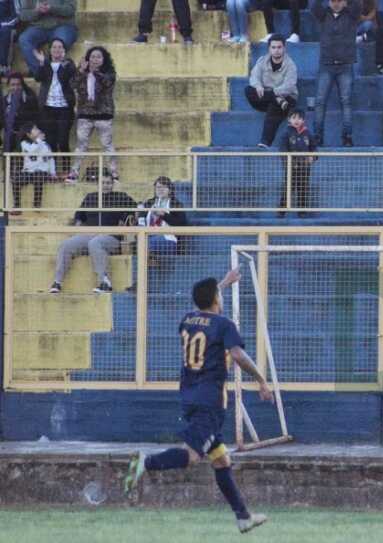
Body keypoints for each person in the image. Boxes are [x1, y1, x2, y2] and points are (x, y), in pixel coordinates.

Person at [123, 268, 272, 534]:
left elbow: (205, 311)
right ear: (217, 300)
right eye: (219, 295)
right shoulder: (224, 324)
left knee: (221, 460)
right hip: (209, 403)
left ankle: (243, 517)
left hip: (189, 397)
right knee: (192, 455)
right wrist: (261, 379)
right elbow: (237, 354)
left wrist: (222, 284)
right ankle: (145, 462)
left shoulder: (187, 320)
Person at [48, 173, 138, 294]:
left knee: (95, 243)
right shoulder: (90, 197)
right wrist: (76, 233)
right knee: (66, 245)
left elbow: (136, 209)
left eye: (108, 183)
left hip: (111, 237)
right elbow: (79, 218)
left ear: (113, 184)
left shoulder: (120, 197)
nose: (105, 185)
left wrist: (126, 224)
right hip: (89, 235)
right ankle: (57, 282)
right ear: (98, 184)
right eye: (102, 183)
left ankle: (105, 283)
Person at [310, 0, 362, 147]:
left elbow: (358, 4)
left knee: (346, 102)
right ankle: (318, 137)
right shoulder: (323, 14)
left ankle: (347, 137)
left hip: (345, 65)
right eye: (334, 0)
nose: (337, 3)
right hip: (326, 65)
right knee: (319, 102)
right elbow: (313, 5)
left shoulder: (351, 14)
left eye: (340, 0)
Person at [67, 46, 119, 183]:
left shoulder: (109, 73)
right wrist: (81, 71)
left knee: (107, 145)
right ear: (88, 58)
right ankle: (74, 173)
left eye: (98, 57)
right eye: (92, 57)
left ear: (104, 59)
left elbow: (107, 83)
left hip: (103, 115)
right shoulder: (82, 72)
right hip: (85, 114)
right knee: (81, 145)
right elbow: (72, 84)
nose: (95, 59)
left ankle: (114, 174)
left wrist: (94, 72)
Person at [245, 35, 298, 147]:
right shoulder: (262, 61)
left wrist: (274, 93)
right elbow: (254, 77)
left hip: (287, 99)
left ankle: (265, 142)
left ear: (284, 48)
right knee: (248, 90)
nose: (276, 50)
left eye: (279, 47)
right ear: (269, 49)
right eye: (273, 47)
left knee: (275, 106)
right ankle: (277, 100)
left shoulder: (290, 65)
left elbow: (289, 87)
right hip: (270, 98)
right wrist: (258, 85)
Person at [33, 38, 76, 174]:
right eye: (54, 47)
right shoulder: (45, 63)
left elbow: (67, 77)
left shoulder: (68, 64)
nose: (57, 50)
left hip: (64, 108)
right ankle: (52, 171)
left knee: (63, 141)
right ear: (50, 50)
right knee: (50, 142)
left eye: (60, 47)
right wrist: (41, 63)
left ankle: (66, 171)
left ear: (64, 50)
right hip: (47, 108)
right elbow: (38, 77)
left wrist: (61, 63)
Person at [17, 0, 77, 76]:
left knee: (60, 42)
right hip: (38, 27)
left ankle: (55, 70)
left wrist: (51, 8)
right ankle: (40, 72)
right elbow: (23, 15)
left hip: (62, 25)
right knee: (24, 39)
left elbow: (70, 10)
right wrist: (37, 11)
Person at [278, 110, 317, 215]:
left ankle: (302, 211)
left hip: (304, 167)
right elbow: (282, 149)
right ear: (289, 119)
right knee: (288, 188)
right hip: (291, 167)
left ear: (303, 120)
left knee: (303, 188)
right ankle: (282, 210)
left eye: (299, 118)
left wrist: (312, 157)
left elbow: (314, 148)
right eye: (294, 117)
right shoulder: (286, 133)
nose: (296, 120)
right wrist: (288, 161)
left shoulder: (308, 133)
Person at [138, 176, 188, 256]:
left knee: (148, 244)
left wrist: (164, 215)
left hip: (167, 237)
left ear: (170, 190)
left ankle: (149, 259)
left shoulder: (176, 204)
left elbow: (182, 223)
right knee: (140, 242)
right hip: (148, 235)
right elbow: (141, 221)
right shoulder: (149, 203)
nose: (160, 190)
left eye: (164, 187)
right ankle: (152, 260)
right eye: (158, 187)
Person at [11, 122, 55, 212]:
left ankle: (37, 204)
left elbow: (51, 159)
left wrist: (53, 173)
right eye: (35, 129)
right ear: (28, 134)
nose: (38, 130)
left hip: (42, 172)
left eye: (37, 128)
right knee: (16, 181)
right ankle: (17, 206)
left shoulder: (45, 144)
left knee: (38, 177)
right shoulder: (24, 144)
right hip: (28, 172)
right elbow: (32, 151)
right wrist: (39, 140)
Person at [1, 72, 39, 154]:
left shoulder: (30, 99)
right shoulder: (4, 101)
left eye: (18, 84)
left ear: (22, 85)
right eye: (13, 85)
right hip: (9, 135)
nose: (16, 87)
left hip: (26, 135)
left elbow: (36, 117)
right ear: (8, 86)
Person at [0, 0, 17, 74]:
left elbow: (16, 16)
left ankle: (4, 66)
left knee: (6, 32)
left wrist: (2, 24)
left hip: (7, 25)